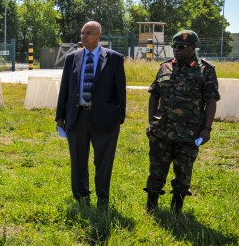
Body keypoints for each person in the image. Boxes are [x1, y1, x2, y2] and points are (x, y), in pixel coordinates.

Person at [144, 29, 219, 213]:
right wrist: (151, 122)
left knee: (183, 171)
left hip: (189, 132)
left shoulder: (205, 70)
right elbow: (154, 95)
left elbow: (211, 101)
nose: (176, 50)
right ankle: (151, 205)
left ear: (193, 48)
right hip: (161, 130)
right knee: (156, 168)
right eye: (174, 46)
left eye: (182, 47)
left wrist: (207, 129)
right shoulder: (165, 67)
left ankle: (176, 208)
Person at [55, 21, 126, 208]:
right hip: (77, 117)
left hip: (105, 119)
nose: (84, 36)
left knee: (103, 162)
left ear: (99, 36)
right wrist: (60, 117)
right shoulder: (72, 59)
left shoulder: (114, 59)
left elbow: (120, 91)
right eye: (82, 32)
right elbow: (65, 89)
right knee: (78, 160)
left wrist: (118, 116)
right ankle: (81, 198)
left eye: (88, 33)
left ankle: (103, 199)